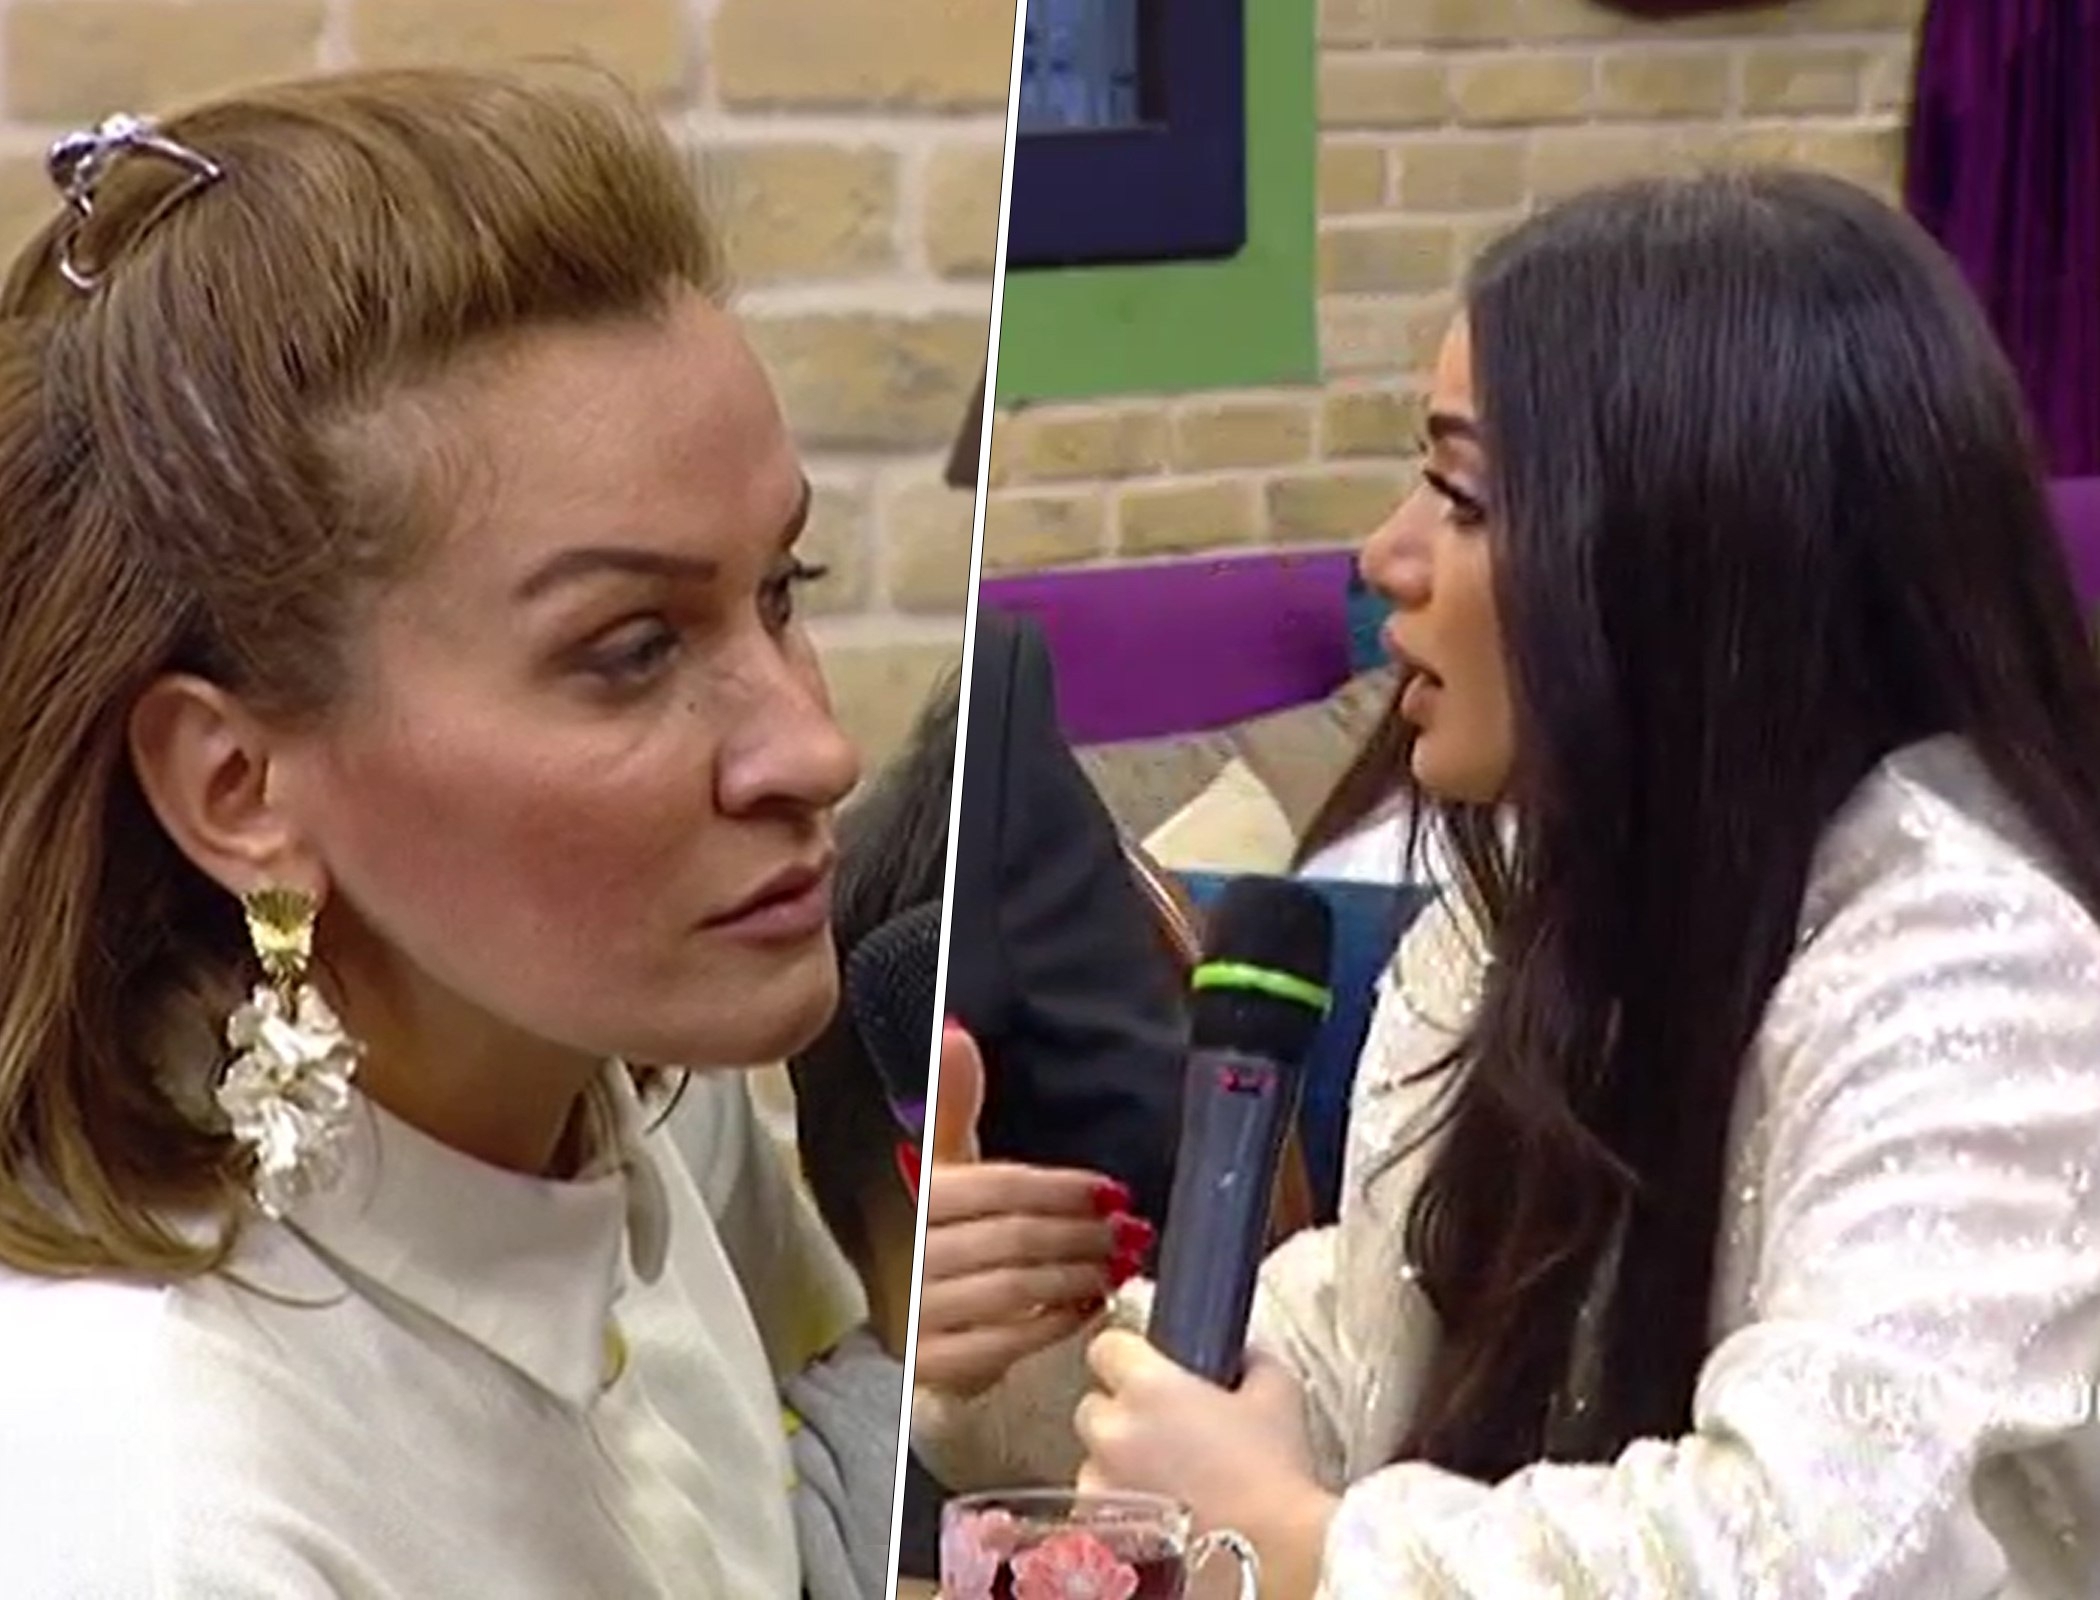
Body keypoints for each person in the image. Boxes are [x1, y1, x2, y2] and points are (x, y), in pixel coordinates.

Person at [912, 168, 2100, 1598]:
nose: (1385, 558)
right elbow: (1339, 1377)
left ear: (1687, 556)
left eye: (1463, 496)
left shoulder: (1977, 972)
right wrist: (1021, 1352)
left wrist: (1317, 1552)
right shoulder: (1519, 915)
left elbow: (1832, 1547)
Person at [0, 66, 876, 1596]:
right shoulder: (171, 1518)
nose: (816, 747)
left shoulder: (607, 1119)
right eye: (632, 651)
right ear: (239, 788)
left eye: (779, 593)